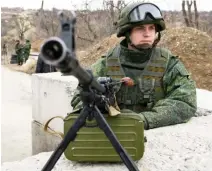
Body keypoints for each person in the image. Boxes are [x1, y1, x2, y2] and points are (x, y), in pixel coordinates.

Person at [71, 2, 197, 130]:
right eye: (140, 28)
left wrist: (144, 120)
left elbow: (185, 101)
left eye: (151, 28)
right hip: (114, 134)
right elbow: (78, 99)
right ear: (127, 32)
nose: (147, 34)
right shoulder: (107, 63)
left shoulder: (168, 63)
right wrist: (96, 102)